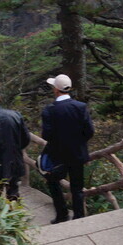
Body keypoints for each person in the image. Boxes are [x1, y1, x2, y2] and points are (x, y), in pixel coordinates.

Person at [40, 74, 95, 224]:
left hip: (57, 155)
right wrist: (78, 142)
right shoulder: (80, 107)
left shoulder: (49, 110)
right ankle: (78, 216)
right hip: (77, 153)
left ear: (56, 89)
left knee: (53, 182)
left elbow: (47, 135)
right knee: (77, 187)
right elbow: (89, 131)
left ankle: (62, 214)